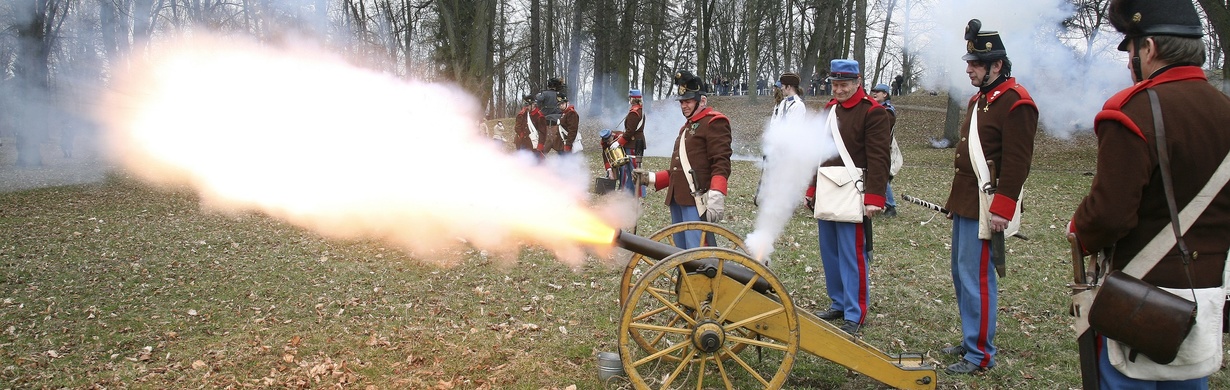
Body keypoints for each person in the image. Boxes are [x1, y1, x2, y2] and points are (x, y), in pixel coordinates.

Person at [1068, 0, 1230, 388]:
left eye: (1131, 49)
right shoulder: (1225, 109)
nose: (1128, 61)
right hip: (1203, 296)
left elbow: (1109, 216)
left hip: (1138, 301)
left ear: (1150, 48)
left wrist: (1079, 230)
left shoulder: (1131, 111)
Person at [940, 19, 1038, 375]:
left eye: (976, 64)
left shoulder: (1016, 102)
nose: (969, 69)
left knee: (977, 278)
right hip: (967, 200)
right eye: (969, 63)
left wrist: (1003, 209)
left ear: (996, 65)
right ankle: (972, 339)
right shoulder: (980, 100)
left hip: (987, 205)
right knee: (961, 273)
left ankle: (980, 353)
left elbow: (1017, 162)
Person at [807, 59, 892, 336]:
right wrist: (811, 188)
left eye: (844, 84)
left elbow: (880, 159)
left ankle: (855, 312)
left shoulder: (873, 112)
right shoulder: (830, 110)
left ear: (857, 82)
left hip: (853, 192)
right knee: (829, 251)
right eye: (835, 84)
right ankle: (839, 302)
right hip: (828, 189)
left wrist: (875, 197)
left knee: (852, 254)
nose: (839, 89)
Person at [633, 70, 732, 249]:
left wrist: (717, 193)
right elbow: (679, 171)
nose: (684, 106)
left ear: (702, 100)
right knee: (680, 251)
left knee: (696, 253)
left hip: (696, 198)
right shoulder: (687, 128)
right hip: (678, 198)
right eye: (682, 102)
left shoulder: (714, 122)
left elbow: (721, 162)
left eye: (688, 101)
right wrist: (651, 178)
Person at [608, 89, 647, 196]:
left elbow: (630, 131)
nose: (629, 100)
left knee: (634, 169)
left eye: (630, 98)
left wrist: (619, 142)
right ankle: (629, 191)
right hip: (635, 142)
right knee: (630, 169)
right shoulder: (639, 110)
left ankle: (639, 193)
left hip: (633, 143)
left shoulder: (634, 113)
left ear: (632, 99)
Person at [869, 83, 901, 217]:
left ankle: (891, 206)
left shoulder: (888, 111)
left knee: (881, 177)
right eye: (874, 91)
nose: (875, 93)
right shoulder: (877, 108)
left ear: (885, 94)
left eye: (878, 92)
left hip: (882, 148)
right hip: (874, 147)